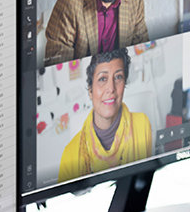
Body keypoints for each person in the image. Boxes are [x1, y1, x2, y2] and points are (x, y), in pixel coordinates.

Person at [58, 47, 152, 183]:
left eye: (118, 77)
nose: (111, 88)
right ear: (90, 91)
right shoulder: (70, 154)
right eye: (102, 79)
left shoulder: (141, 124)